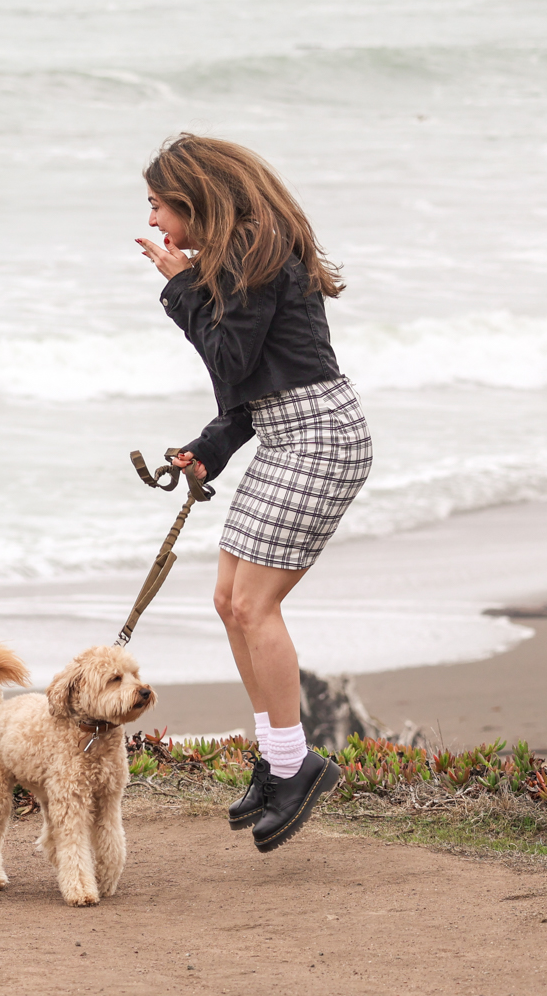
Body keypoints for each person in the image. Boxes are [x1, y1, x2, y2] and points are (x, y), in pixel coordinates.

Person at [135, 134, 372, 854]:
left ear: (190, 197)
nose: (154, 224)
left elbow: (228, 355)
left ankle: (296, 767)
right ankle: (279, 761)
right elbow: (247, 385)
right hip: (287, 433)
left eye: (157, 206)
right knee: (227, 600)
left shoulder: (248, 253)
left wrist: (180, 287)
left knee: (251, 604)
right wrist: (208, 451)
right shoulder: (241, 255)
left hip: (320, 437)